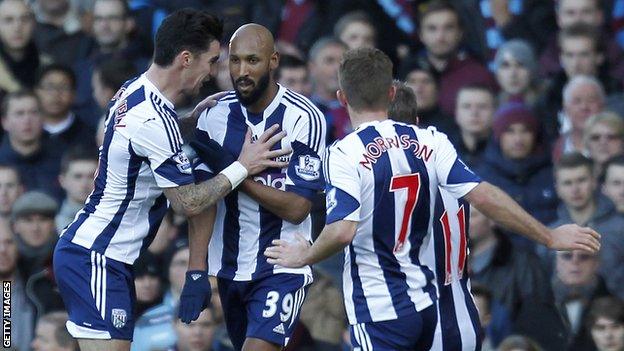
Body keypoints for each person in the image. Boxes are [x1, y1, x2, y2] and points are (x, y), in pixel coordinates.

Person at [265, 47, 600, 350]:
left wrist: (304, 256)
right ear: (391, 92)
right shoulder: (433, 142)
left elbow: (341, 230)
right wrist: (550, 235)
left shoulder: (344, 152)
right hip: (433, 307)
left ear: (341, 97)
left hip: (380, 308)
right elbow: (485, 195)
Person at [52, 10, 289, 351]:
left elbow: (139, 144)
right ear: (185, 58)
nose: (212, 73)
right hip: (97, 256)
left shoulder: (133, 90)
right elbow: (187, 201)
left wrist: (187, 122)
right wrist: (243, 166)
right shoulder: (154, 120)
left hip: (94, 252)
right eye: (210, 62)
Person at [188, 23, 326, 351]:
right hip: (229, 267)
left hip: (282, 263)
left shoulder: (304, 118)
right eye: (234, 61)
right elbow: (203, 199)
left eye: (252, 60)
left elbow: (297, 207)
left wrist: (236, 172)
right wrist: (196, 270)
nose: (241, 71)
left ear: (273, 60)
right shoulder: (213, 116)